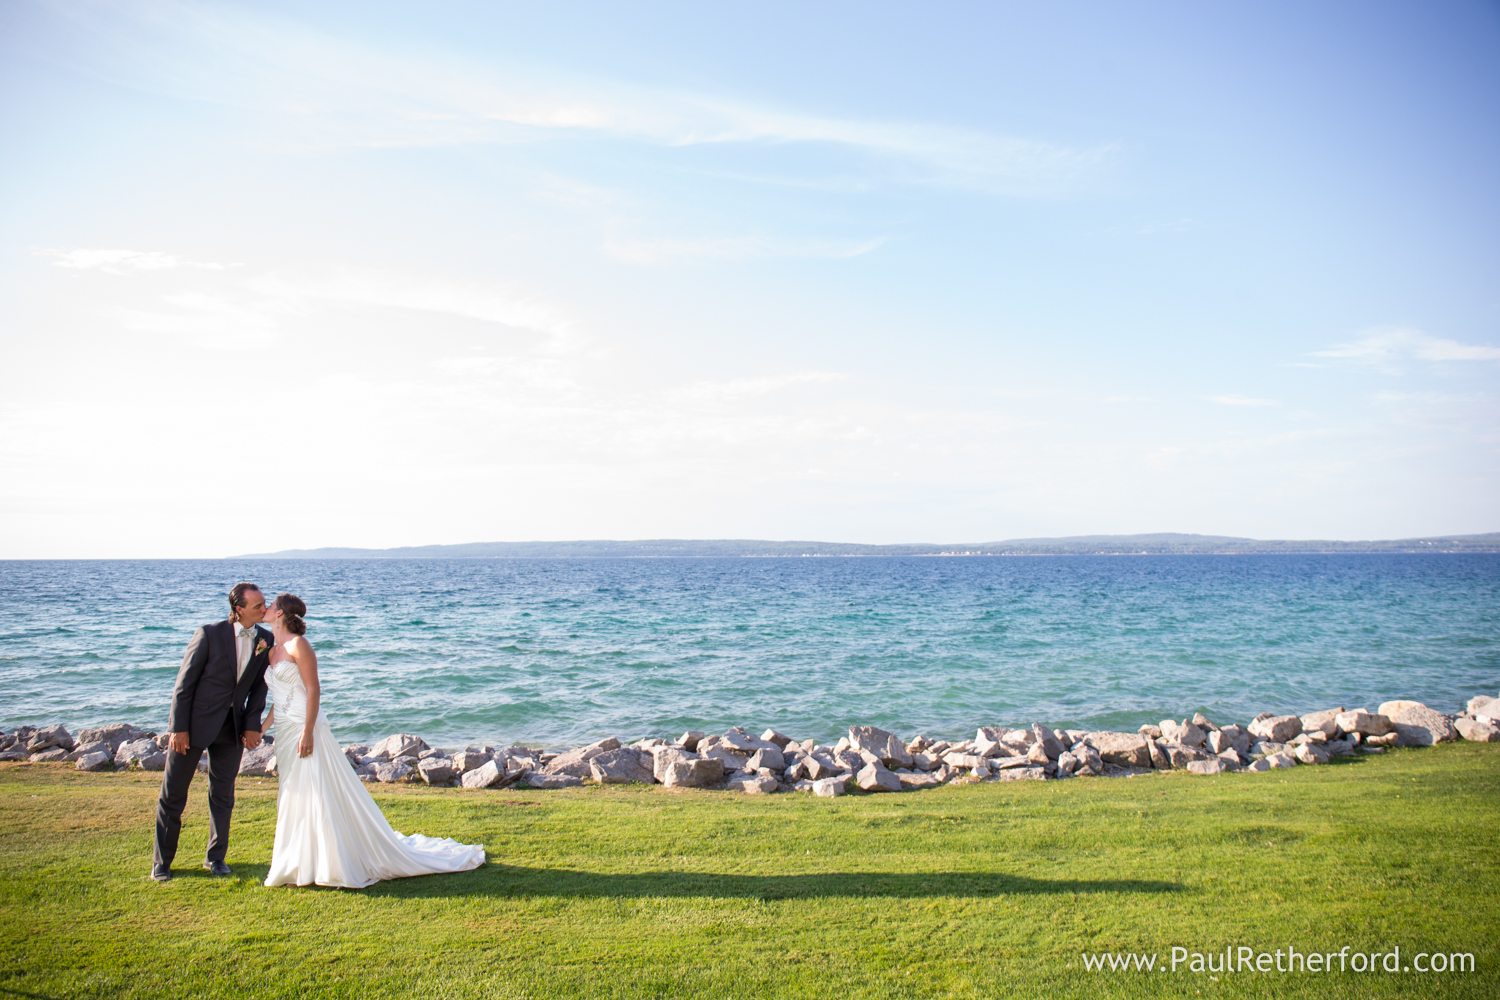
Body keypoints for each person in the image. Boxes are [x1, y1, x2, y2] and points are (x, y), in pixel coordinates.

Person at [261, 593, 485, 888]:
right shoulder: (272, 650)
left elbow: (313, 690)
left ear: (280, 613)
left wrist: (307, 731)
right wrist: (261, 728)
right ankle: (298, 862)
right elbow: (279, 698)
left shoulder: (299, 645)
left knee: (316, 791)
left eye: (270, 605)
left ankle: (324, 864)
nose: (265, 608)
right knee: (295, 794)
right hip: (285, 730)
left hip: (305, 727)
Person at [152, 582, 273, 881]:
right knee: (173, 794)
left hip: (232, 729)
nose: (265, 608)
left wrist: (252, 725)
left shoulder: (265, 639)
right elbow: (184, 685)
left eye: (264, 603)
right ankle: (162, 863)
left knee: (223, 795)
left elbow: (259, 688)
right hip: (194, 726)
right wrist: (178, 728)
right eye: (258, 605)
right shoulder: (209, 634)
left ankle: (216, 858)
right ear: (238, 609)